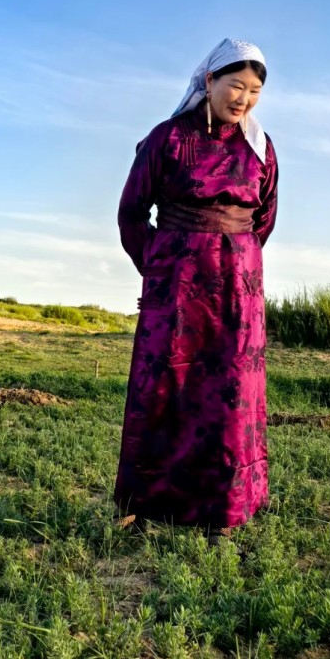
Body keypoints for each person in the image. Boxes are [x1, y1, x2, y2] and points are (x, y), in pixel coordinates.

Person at [114, 38, 278, 548]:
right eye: (236, 86)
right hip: (176, 290)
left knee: (230, 397)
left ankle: (224, 508)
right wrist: (161, 269)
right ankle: (145, 504)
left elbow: (264, 219)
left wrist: (237, 263)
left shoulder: (261, 149)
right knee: (163, 387)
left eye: (253, 92)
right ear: (208, 81)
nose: (243, 100)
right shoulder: (166, 140)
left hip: (237, 294)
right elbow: (131, 213)